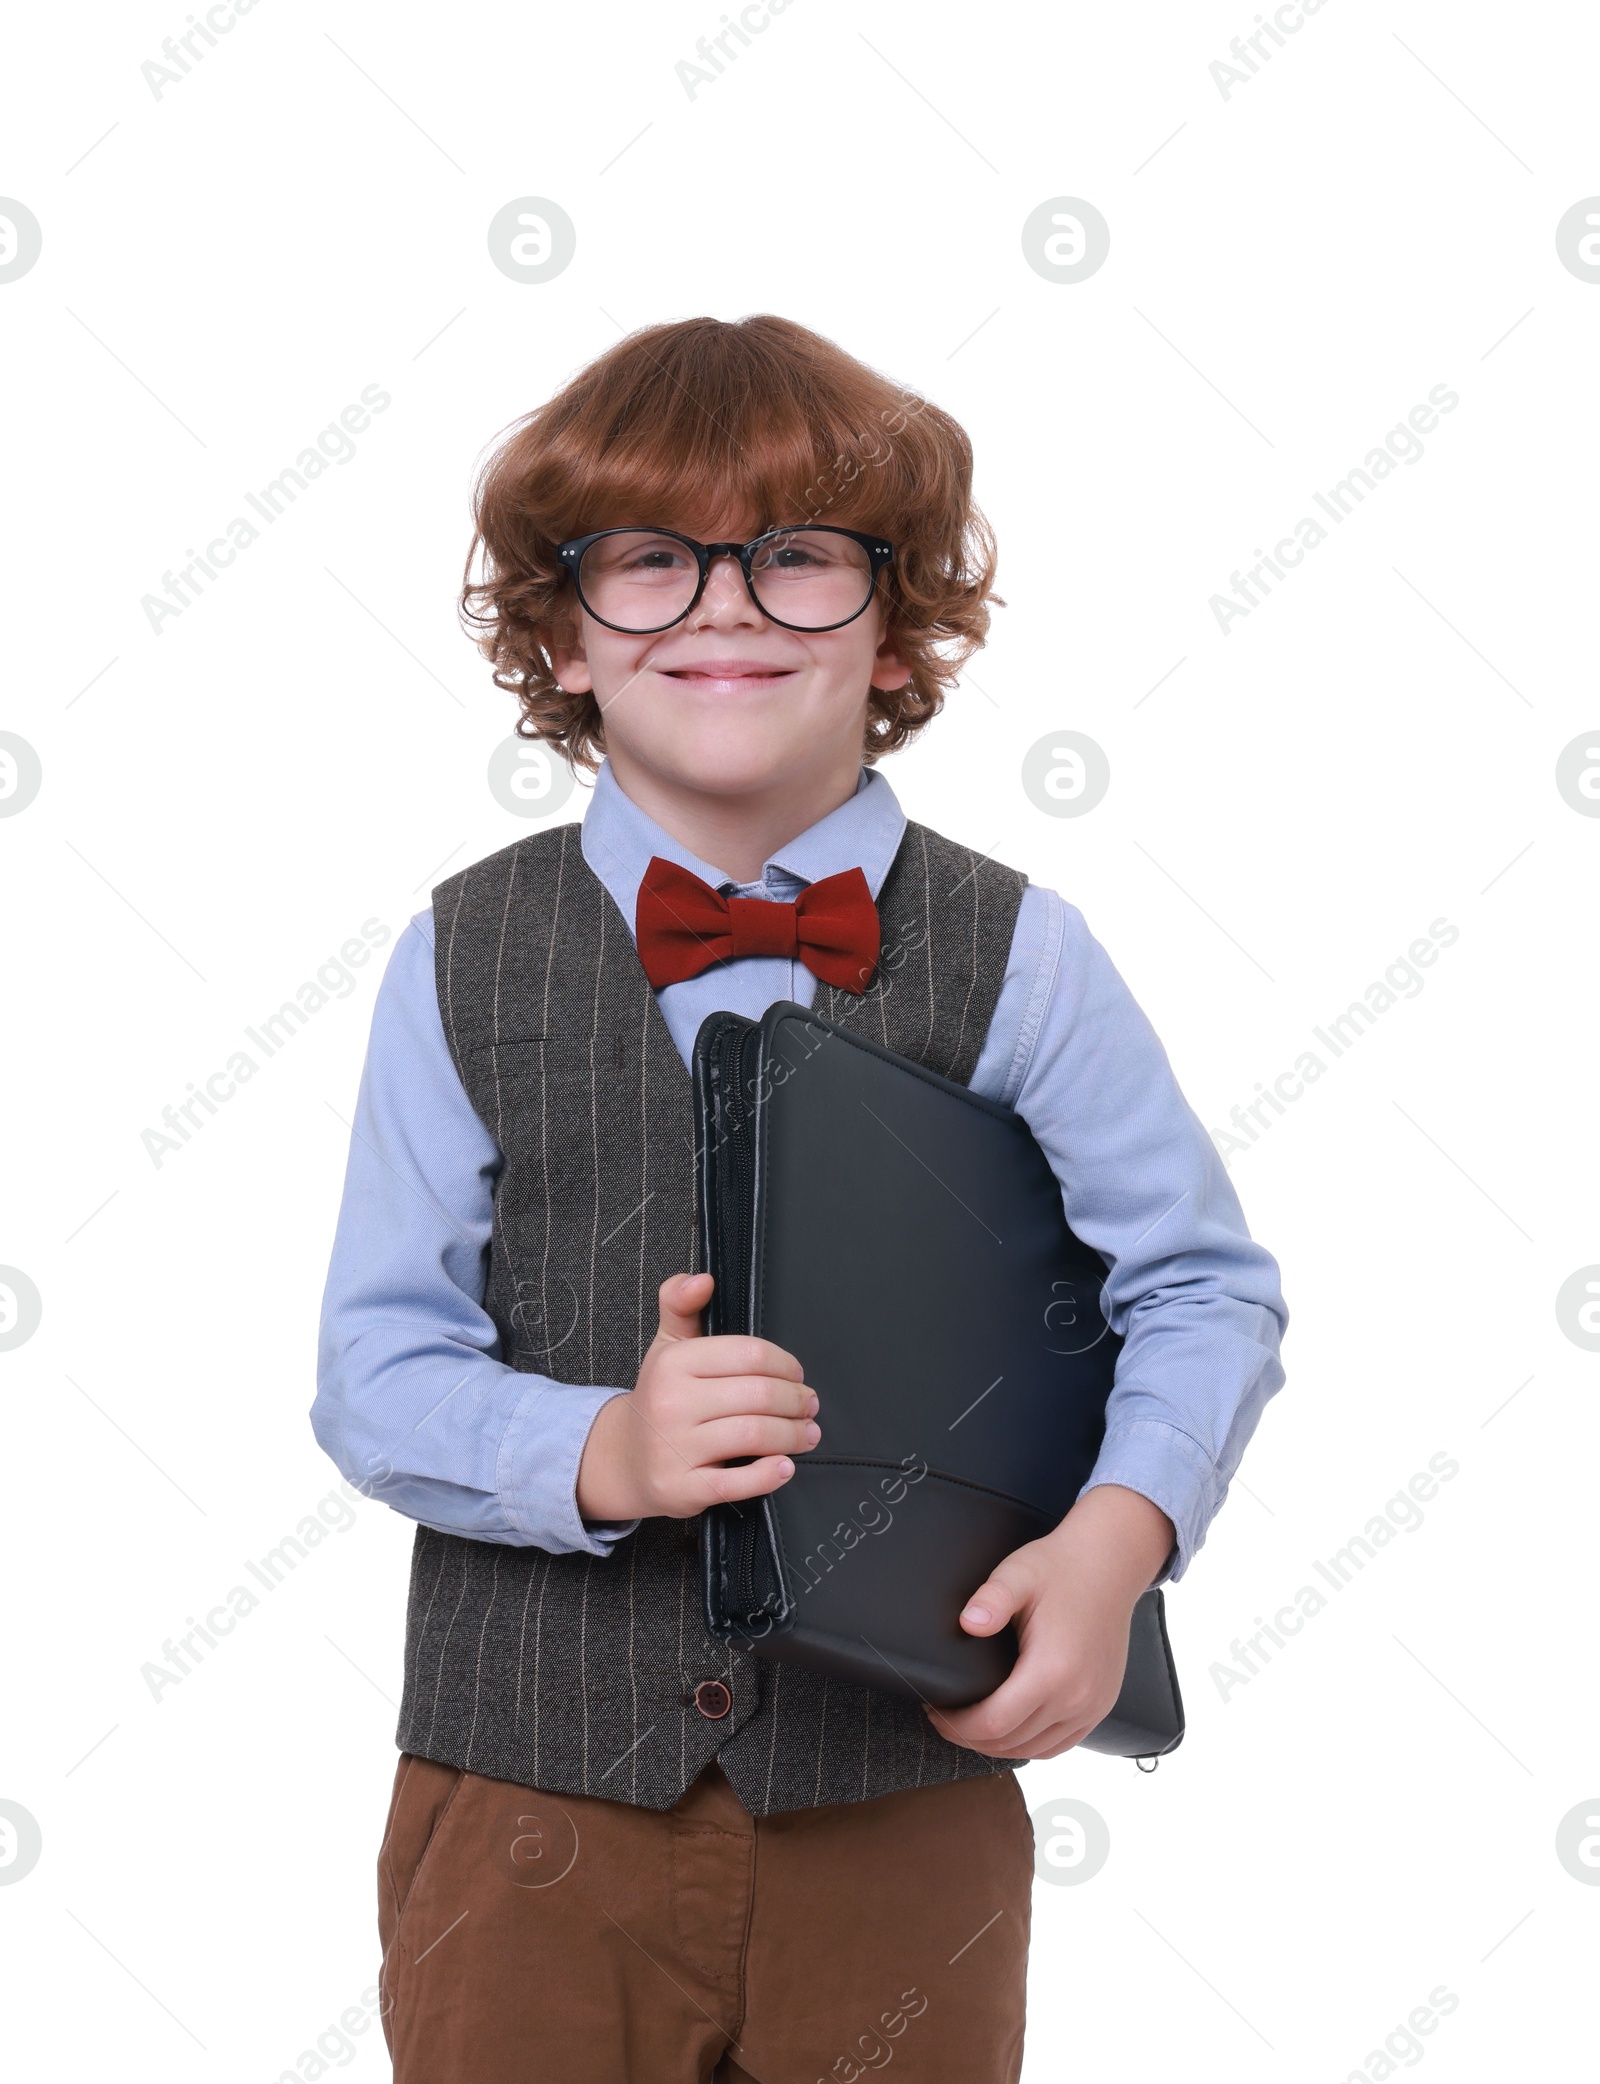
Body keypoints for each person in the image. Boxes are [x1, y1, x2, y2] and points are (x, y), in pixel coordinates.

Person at [312, 313, 1288, 2083]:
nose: (726, 608)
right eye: (652, 562)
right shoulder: (461, 952)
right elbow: (374, 1371)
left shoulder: (1026, 954)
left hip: (903, 1798)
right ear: (559, 631)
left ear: (898, 624)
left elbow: (1203, 1291)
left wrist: (1115, 1544)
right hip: (528, 1807)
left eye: (799, 560)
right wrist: (600, 1451)